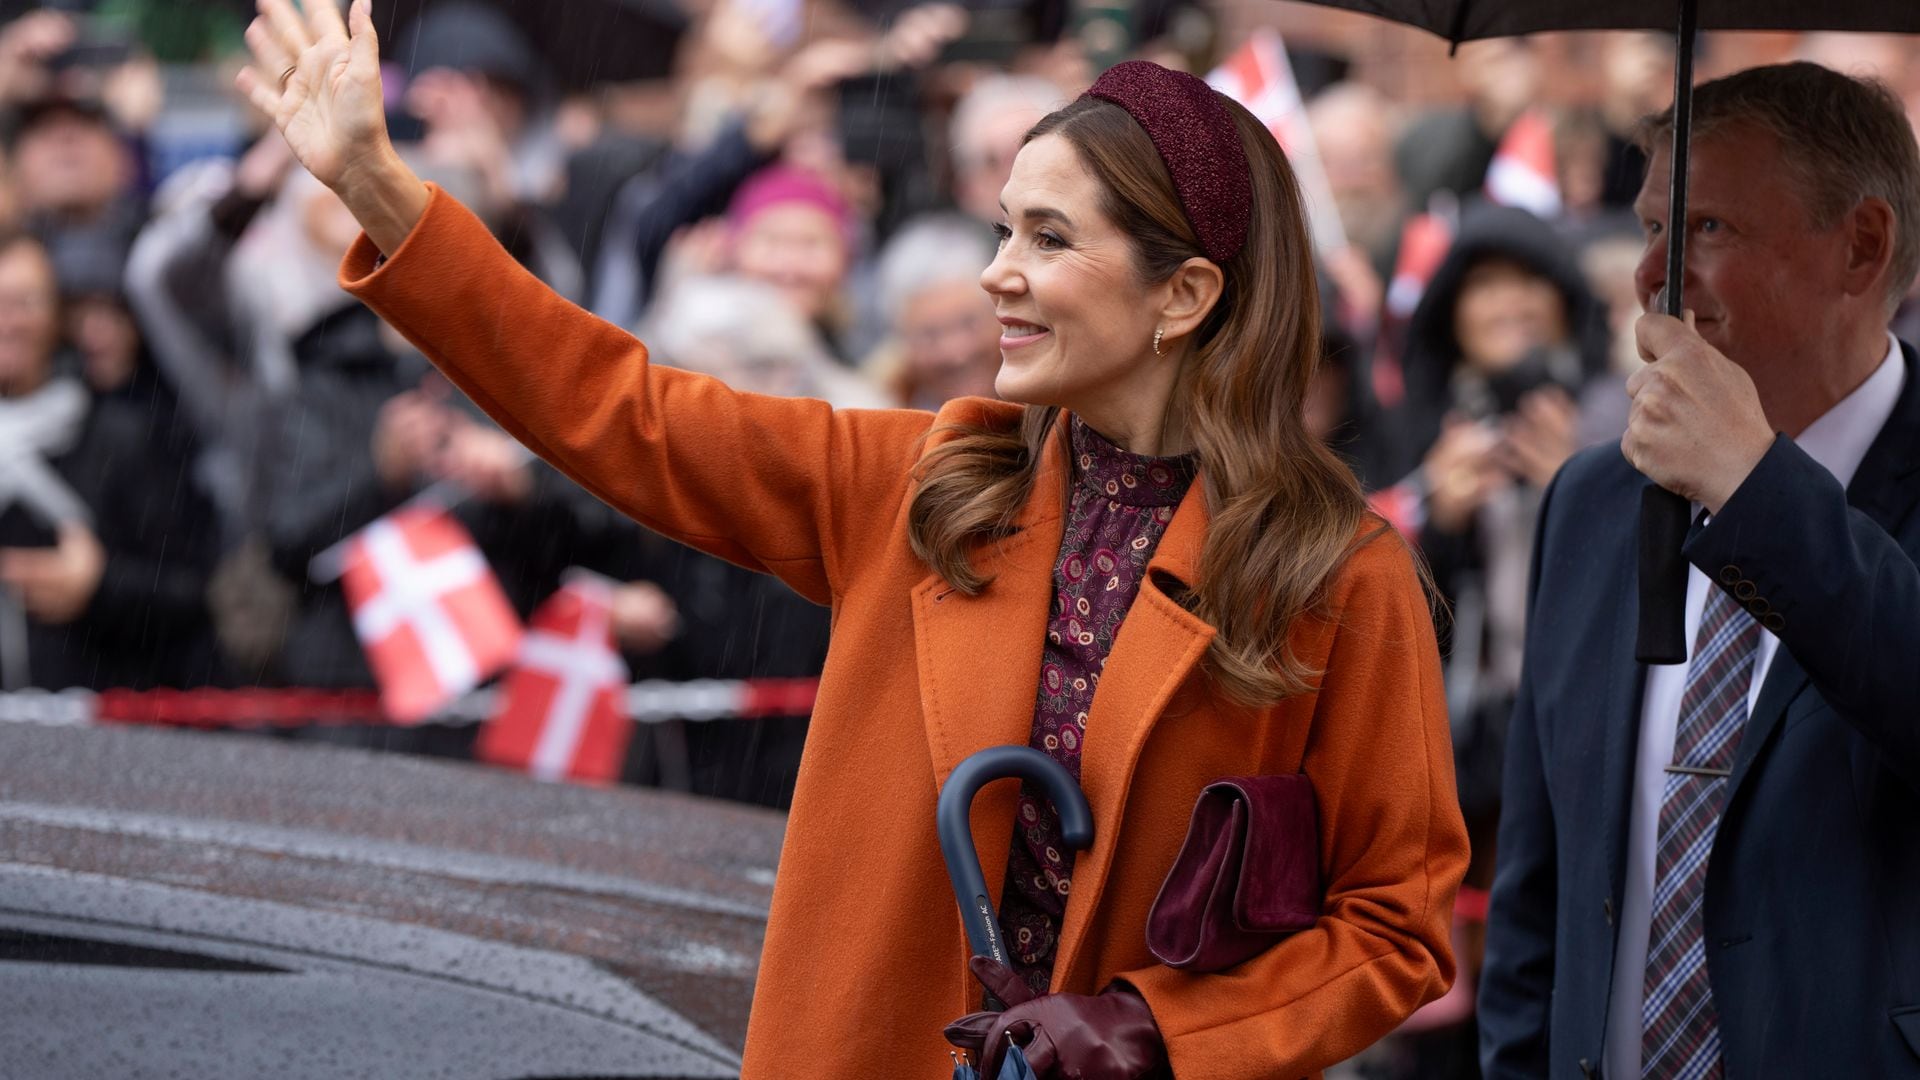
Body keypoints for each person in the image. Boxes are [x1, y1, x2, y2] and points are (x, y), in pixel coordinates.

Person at [237, 3, 1467, 1077]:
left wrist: (1161, 1032)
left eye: (1048, 238)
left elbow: (1396, 933)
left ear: (1185, 297)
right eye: (1001, 228)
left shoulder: (1338, 575)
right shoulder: (918, 486)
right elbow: (614, 408)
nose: (998, 273)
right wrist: (378, 188)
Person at [1477, 62, 1920, 1079]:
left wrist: (1759, 489)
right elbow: (1538, 896)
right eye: (1649, 228)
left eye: (1708, 229)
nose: (1653, 276)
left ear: (1862, 246)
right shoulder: (1592, 500)